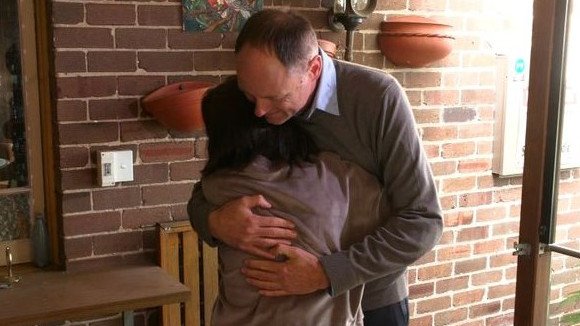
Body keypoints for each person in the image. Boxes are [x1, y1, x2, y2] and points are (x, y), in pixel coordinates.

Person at [188, 9, 443, 325]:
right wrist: (214, 221)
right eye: (248, 94)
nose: (258, 111)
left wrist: (326, 272)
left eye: (273, 97)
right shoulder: (259, 91)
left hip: (372, 300)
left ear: (313, 68)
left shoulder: (378, 98)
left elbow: (423, 220)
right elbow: (209, 188)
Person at [200, 76, 385, 325]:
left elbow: (196, 201)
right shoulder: (339, 179)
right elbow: (409, 221)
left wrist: (211, 220)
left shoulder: (216, 187)